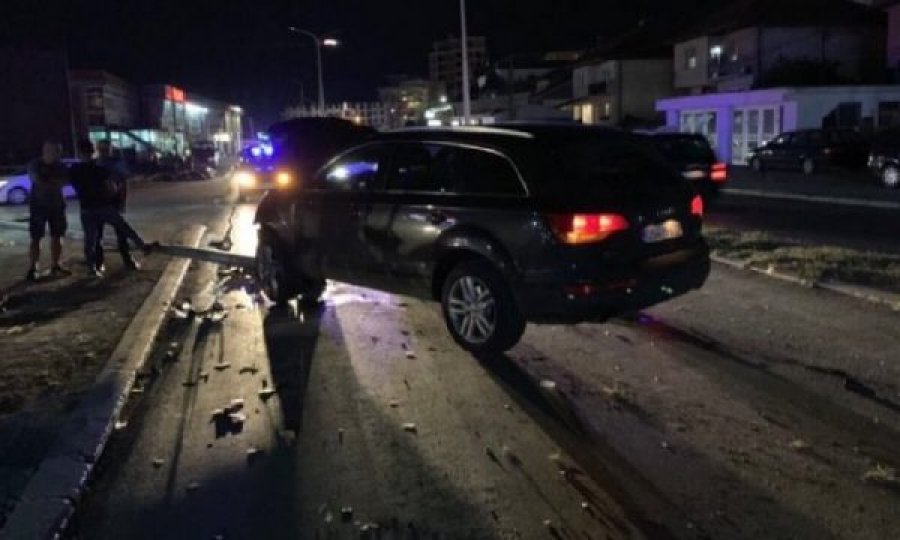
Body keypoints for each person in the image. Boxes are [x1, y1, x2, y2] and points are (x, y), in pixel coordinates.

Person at [69, 140, 150, 276]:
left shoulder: (74, 169)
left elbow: (70, 184)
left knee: (91, 239)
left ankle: (93, 268)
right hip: (103, 206)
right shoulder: (100, 169)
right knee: (123, 228)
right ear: (94, 151)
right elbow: (111, 187)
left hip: (87, 208)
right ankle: (142, 247)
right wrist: (113, 192)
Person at [26, 141, 71, 281]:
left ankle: (56, 264)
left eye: (55, 150)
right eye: (49, 150)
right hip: (38, 206)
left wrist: (49, 180)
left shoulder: (61, 166)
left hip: (57, 205)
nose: (51, 153)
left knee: (58, 235)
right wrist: (54, 181)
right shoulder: (35, 164)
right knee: (36, 237)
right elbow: (37, 178)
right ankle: (33, 267)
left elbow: (65, 181)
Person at [95, 139, 141, 269]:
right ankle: (99, 262)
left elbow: (125, 176)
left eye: (106, 149)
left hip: (112, 202)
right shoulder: (97, 164)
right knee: (100, 234)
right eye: (102, 149)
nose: (104, 152)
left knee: (120, 233)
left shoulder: (116, 163)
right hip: (100, 203)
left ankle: (126, 259)